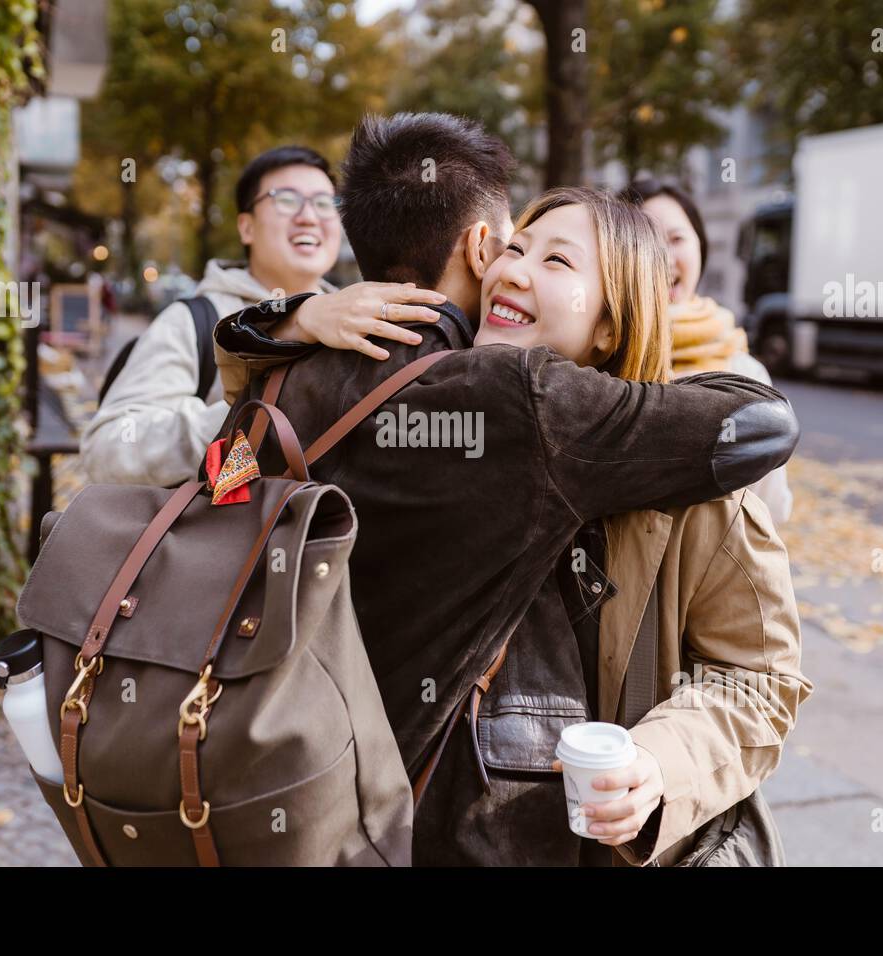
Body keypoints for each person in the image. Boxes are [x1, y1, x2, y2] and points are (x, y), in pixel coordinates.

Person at [212, 112, 801, 865]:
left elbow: (761, 680)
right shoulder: (470, 400)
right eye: (516, 246)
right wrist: (297, 316)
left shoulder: (694, 486)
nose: (515, 269)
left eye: (558, 262)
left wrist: (659, 765)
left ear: (613, 323)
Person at [79, 145, 342, 487]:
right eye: (286, 199)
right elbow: (106, 450)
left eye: (325, 202)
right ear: (246, 228)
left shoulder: (360, 322)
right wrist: (244, 417)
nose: (309, 216)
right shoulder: (193, 322)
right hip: (225, 538)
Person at [620, 177, 793, 524]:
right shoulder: (595, 360)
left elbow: (770, 511)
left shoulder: (743, 373)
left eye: (676, 238)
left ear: (700, 248)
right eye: (646, 242)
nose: (663, 257)